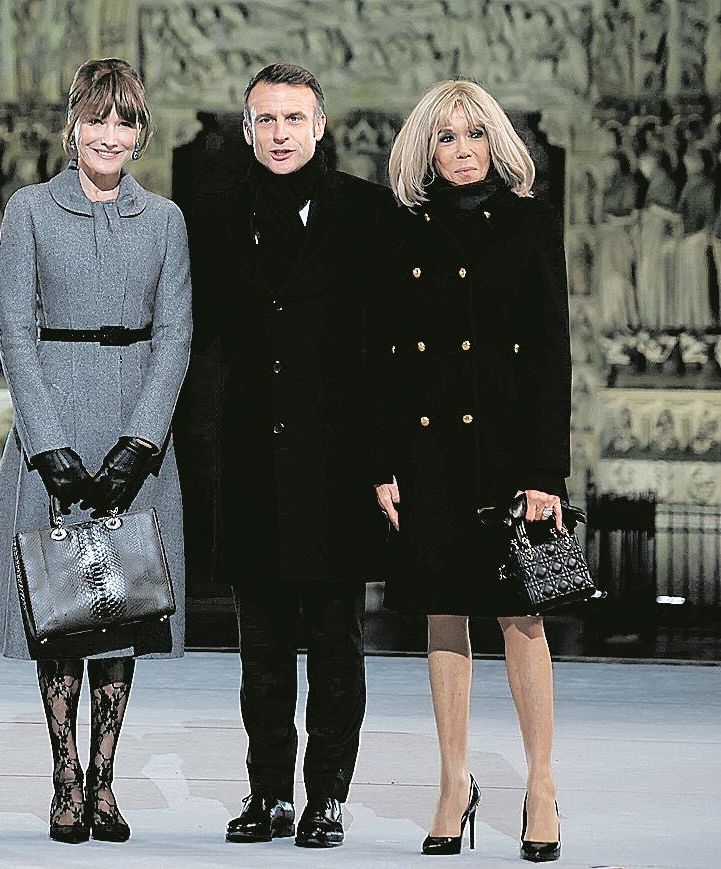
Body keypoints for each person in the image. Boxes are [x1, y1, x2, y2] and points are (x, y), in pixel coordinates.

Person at [0, 58, 192, 845]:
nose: (108, 134)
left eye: (123, 120)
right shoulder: (29, 210)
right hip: (53, 427)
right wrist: (48, 445)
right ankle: (63, 773)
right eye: (95, 118)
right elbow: (13, 331)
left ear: (140, 132)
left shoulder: (163, 219)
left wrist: (141, 441)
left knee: (120, 610)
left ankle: (104, 778)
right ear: (71, 126)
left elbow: (175, 335)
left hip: (135, 428)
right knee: (63, 612)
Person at [189, 63, 391, 849]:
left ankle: (325, 798)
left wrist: (385, 462)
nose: (279, 133)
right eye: (265, 120)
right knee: (260, 646)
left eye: (292, 119)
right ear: (246, 130)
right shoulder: (213, 213)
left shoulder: (365, 213)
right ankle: (267, 791)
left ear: (320, 125)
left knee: (336, 643)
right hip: (245, 458)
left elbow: (383, 350)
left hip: (337, 464)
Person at [373, 79, 571, 862]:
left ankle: (542, 781)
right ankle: (453, 782)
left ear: (497, 142)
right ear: (426, 148)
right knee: (440, 613)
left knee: (523, 615)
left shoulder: (530, 224)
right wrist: (385, 461)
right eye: (447, 137)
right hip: (427, 455)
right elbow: (386, 358)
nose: (461, 151)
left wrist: (545, 472)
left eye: (474, 135)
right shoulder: (403, 230)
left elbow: (550, 353)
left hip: (509, 454)